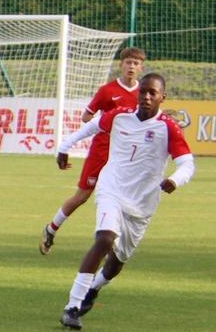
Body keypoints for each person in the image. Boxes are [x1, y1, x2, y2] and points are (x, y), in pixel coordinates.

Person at [52, 72, 191, 330]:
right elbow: (92, 126)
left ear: (163, 97)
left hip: (142, 205)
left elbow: (187, 163)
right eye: (143, 91)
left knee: (117, 262)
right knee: (105, 238)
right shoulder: (119, 115)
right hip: (112, 189)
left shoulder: (168, 127)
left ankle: (94, 288)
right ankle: (72, 306)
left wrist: (176, 179)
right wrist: (64, 146)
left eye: (153, 93)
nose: (146, 97)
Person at [41, 45, 147, 254]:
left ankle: (110, 239)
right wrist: (109, 120)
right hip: (101, 151)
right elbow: (86, 117)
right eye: (128, 63)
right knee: (82, 196)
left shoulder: (144, 93)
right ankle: (51, 229)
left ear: (141, 68)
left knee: (123, 197)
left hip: (125, 155)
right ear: (121, 65)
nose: (131, 67)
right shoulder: (107, 91)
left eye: (136, 63)